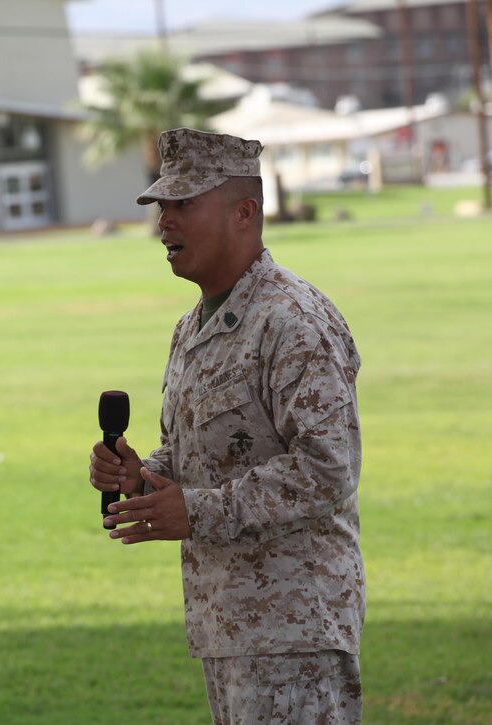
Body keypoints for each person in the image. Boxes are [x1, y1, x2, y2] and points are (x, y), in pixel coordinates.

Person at [88, 128, 365, 724]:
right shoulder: (195, 326)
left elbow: (328, 469)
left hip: (295, 633)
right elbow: (201, 455)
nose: (164, 221)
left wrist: (197, 511)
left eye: (183, 204)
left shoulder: (291, 322)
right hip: (230, 624)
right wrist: (142, 476)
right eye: (162, 205)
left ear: (246, 212)